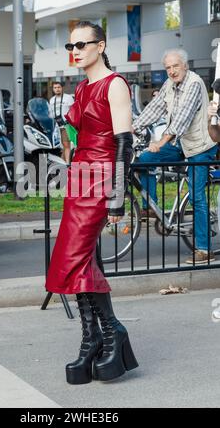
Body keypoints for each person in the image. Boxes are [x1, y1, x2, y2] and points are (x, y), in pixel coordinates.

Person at [45, 21, 138, 384]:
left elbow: (123, 144)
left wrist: (117, 198)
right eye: (72, 45)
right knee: (76, 259)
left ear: (100, 46)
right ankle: (92, 338)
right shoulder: (82, 88)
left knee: (75, 257)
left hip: (101, 179)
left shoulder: (114, 84)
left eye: (82, 44)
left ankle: (111, 330)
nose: (76, 50)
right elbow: (74, 134)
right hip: (79, 176)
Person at [133, 48, 217, 264]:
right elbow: (155, 107)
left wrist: (160, 142)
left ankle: (203, 249)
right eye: (168, 67)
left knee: (197, 194)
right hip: (181, 143)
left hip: (200, 145)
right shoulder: (170, 85)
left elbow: (182, 119)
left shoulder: (195, 83)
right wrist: (133, 127)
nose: (171, 71)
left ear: (185, 65)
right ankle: (149, 208)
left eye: (175, 66)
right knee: (144, 160)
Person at [50, 81, 74, 164]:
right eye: (55, 88)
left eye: (59, 87)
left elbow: (73, 111)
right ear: (53, 89)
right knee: (59, 147)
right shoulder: (52, 100)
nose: (57, 89)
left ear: (62, 88)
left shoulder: (68, 98)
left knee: (66, 145)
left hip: (65, 125)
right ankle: (61, 162)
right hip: (55, 127)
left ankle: (67, 164)